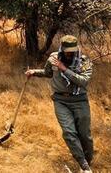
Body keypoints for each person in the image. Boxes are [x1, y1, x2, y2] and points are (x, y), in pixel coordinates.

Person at [25, 35, 94, 173]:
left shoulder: (84, 61)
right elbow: (48, 73)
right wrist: (34, 72)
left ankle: (87, 160)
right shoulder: (53, 58)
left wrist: (64, 69)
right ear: (62, 48)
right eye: (67, 50)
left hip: (79, 100)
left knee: (84, 134)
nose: (69, 53)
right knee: (69, 132)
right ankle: (83, 165)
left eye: (72, 50)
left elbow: (83, 81)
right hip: (61, 100)